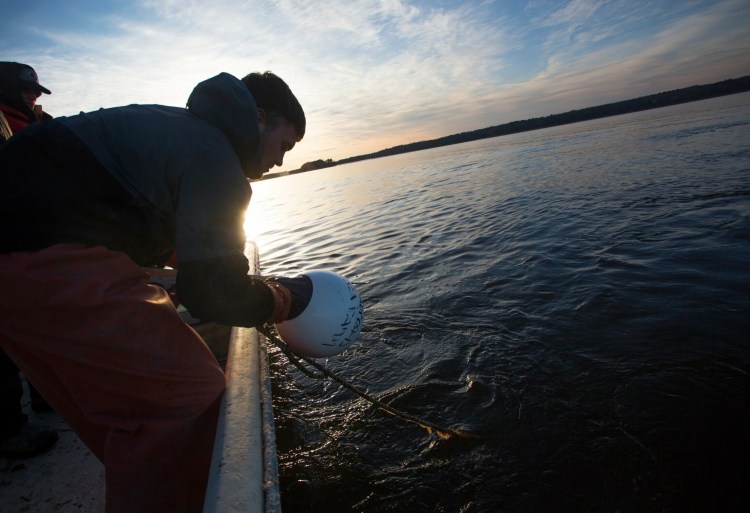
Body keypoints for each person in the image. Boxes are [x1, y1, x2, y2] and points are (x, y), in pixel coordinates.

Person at [0, 71, 310, 512]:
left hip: (16, 264)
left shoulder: (178, 129)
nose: (280, 162)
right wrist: (282, 300)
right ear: (259, 118)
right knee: (191, 399)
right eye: (285, 145)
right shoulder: (214, 153)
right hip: (34, 252)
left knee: (118, 415)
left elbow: (125, 204)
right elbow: (210, 294)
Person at [0, 61, 58, 459]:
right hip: (10, 241)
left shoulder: (38, 123)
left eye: (35, 90)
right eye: (26, 89)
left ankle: (46, 392)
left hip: (37, 240)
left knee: (47, 319)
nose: (34, 95)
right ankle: (7, 430)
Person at [0, 61, 52, 144]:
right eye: (25, 89)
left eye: (36, 92)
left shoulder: (43, 121)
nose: (33, 97)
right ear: (5, 88)